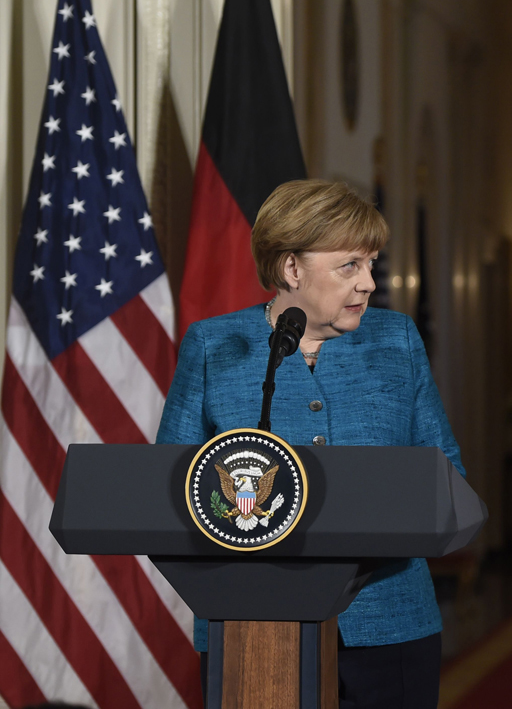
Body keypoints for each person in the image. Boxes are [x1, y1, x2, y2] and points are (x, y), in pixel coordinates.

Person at [157, 179, 461, 709]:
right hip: (251, 630)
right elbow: (172, 486)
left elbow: (446, 475)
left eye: (371, 264)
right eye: (350, 265)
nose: (368, 283)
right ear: (291, 269)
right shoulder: (214, 346)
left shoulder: (397, 340)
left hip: (389, 624)